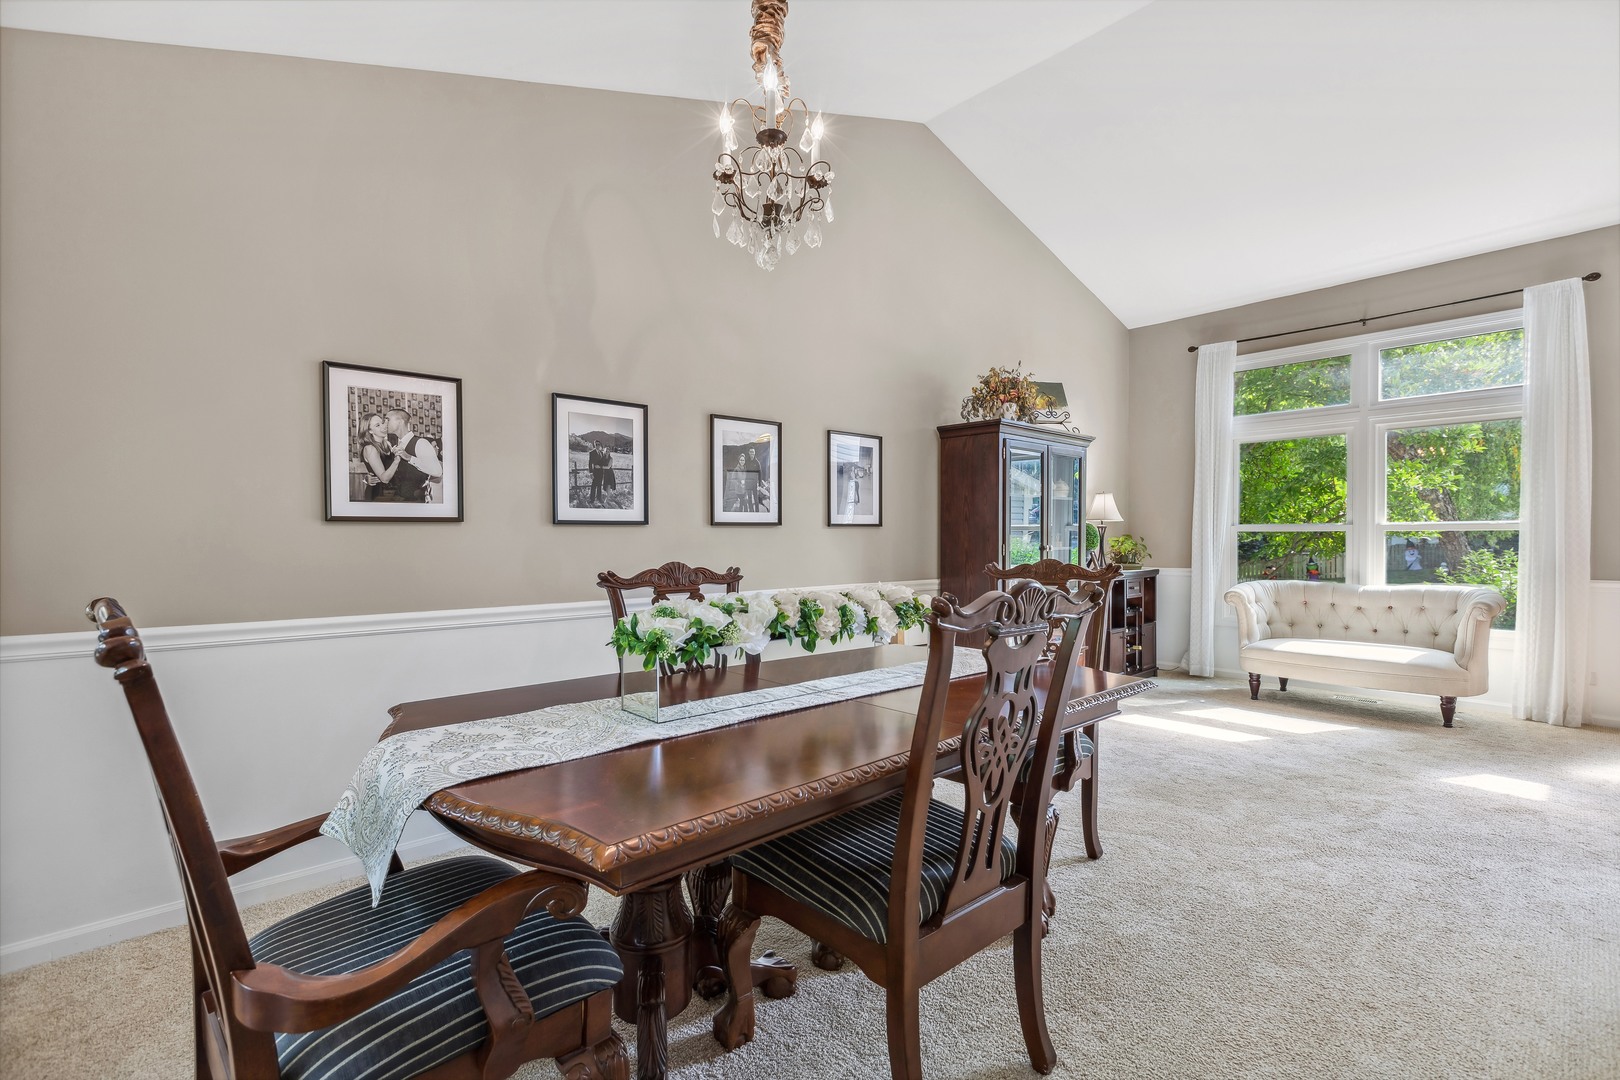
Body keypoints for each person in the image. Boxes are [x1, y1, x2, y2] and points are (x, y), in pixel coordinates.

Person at [383, 408, 442, 502]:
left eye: (388, 419)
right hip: (398, 502)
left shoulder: (421, 443)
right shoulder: (396, 445)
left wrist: (410, 458)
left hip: (417, 503)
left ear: (400, 421)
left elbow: (437, 471)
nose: (385, 423)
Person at [357, 412, 401, 501]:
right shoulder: (370, 448)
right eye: (377, 425)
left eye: (382, 422)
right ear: (370, 431)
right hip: (378, 494)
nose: (383, 426)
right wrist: (397, 461)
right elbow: (384, 479)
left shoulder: (387, 444)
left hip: (392, 493)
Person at [587, 441, 611, 506]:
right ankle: (592, 500)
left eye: (599, 444)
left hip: (601, 472)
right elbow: (590, 463)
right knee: (593, 486)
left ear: (600, 445)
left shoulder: (601, 453)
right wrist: (591, 473)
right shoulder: (592, 452)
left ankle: (599, 498)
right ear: (594, 445)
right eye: (596, 444)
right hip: (595, 472)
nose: (598, 445)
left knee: (599, 486)